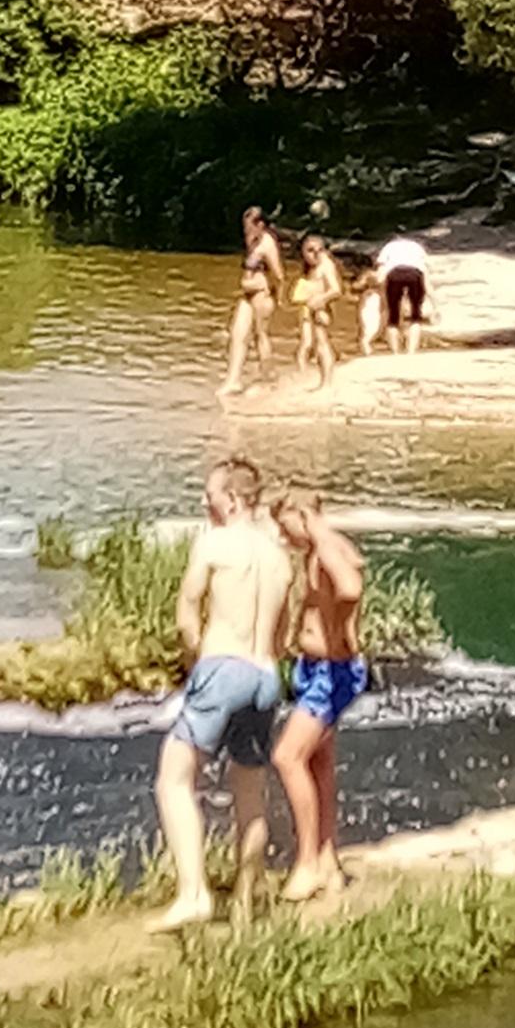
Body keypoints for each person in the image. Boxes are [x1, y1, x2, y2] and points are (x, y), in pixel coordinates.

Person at [152, 457, 292, 934]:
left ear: (232, 499)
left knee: (173, 778)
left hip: (223, 665)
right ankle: (246, 903)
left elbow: (187, 612)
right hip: (266, 675)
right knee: (250, 791)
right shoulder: (278, 556)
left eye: (210, 493)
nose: (203, 501)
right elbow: (283, 635)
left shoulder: (214, 542)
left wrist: (197, 658)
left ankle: (194, 894)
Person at [271, 491, 366, 902]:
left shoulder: (327, 545)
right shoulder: (322, 547)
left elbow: (350, 588)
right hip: (315, 670)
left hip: (331, 672)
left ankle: (307, 864)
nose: (283, 536)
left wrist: (340, 630)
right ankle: (328, 861)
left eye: (285, 526)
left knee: (287, 757)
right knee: (317, 761)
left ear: (302, 515)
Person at [219, 206, 284, 397]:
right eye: (244, 226)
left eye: (249, 226)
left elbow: (279, 275)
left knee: (260, 336)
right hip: (247, 294)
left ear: (260, 225)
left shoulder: (267, 243)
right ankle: (233, 381)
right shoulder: (252, 240)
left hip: (262, 294)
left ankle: (268, 379)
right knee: (237, 334)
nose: (245, 230)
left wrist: (278, 297)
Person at [293, 234, 343, 389]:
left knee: (322, 343)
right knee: (306, 344)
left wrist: (320, 299)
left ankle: (326, 382)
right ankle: (303, 378)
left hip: (321, 308)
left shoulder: (326, 265)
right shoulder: (311, 267)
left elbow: (336, 290)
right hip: (310, 309)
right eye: (310, 250)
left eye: (319, 250)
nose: (315, 254)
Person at [374, 234, 433, 354]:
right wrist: (431, 295)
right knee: (416, 313)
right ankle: (411, 350)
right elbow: (425, 270)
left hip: (394, 274)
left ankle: (395, 351)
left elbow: (380, 272)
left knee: (393, 314)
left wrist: (380, 291)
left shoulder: (388, 246)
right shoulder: (417, 246)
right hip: (415, 274)